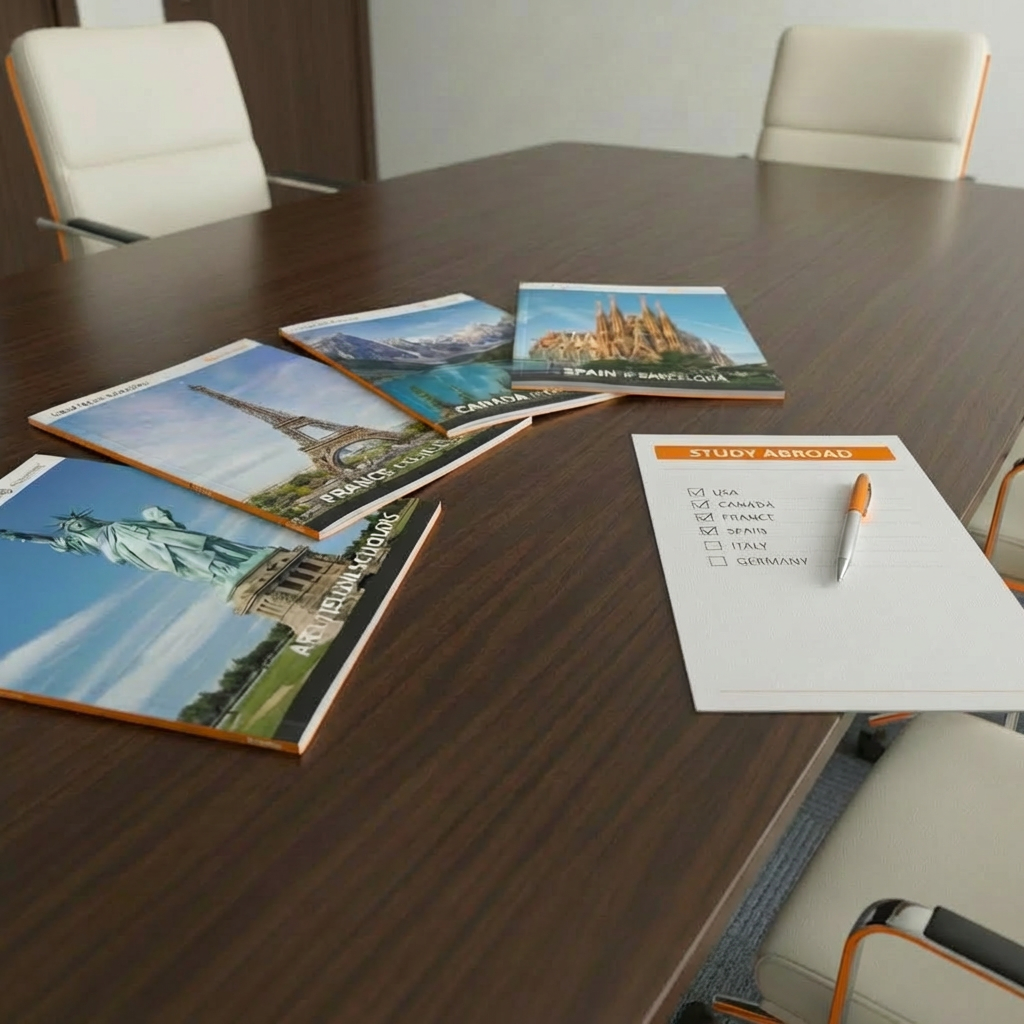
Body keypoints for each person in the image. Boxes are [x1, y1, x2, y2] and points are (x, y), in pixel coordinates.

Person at [0, 505, 275, 589]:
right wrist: (19, 536)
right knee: (187, 563)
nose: (76, 526)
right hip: (141, 553)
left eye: (76, 522)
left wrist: (160, 521)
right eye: (72, 527)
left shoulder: (115, 525)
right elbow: (48, 541)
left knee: (199, 549)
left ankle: (238, 564)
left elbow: (154, 528)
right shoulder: (88, 540)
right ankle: (225, 575)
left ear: (83, 519)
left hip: (152, 539)